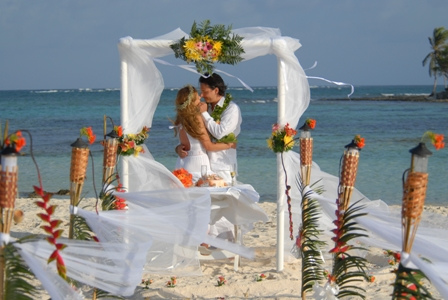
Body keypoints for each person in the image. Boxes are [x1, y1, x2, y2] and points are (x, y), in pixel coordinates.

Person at [175, 73, 242, 183]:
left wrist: (205, 114)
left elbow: (219, 133)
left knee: (223, 197)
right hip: (203, 165)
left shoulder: (231, 109)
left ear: (216, 90)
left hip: (222, 164)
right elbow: (192, 134)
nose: (202, 95)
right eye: (201, 92)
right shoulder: (204, 107)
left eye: (205, 92)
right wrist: (178, 148)